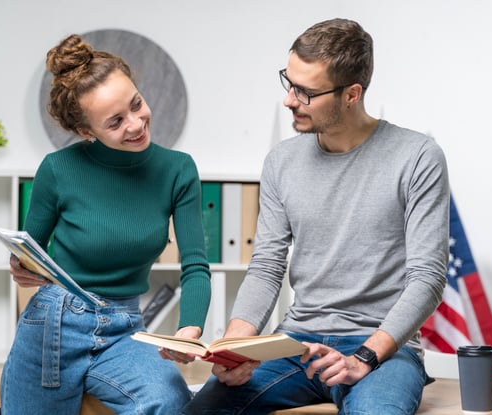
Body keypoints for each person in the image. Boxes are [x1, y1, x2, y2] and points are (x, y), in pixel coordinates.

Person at [183, 18, 449, 415]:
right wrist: (234, 348)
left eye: (306, 92)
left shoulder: (417, 157)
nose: (290, 100)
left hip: (379, 347)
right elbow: (267, 265)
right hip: (296, 343)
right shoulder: (281, 161)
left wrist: (365, 356)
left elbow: (428, 276)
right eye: (288, 83)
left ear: (351, 94)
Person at [0, 34, 211, 415]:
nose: (136, 124)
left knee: (171, 403)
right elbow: (30, 249)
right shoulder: (58, 169)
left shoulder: (178, 170)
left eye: (137, 105)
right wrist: (21, 266)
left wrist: (189, 330)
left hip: (125, 328)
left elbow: (195, 265)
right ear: (86, 132)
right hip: (55, 323)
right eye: (115, 122)